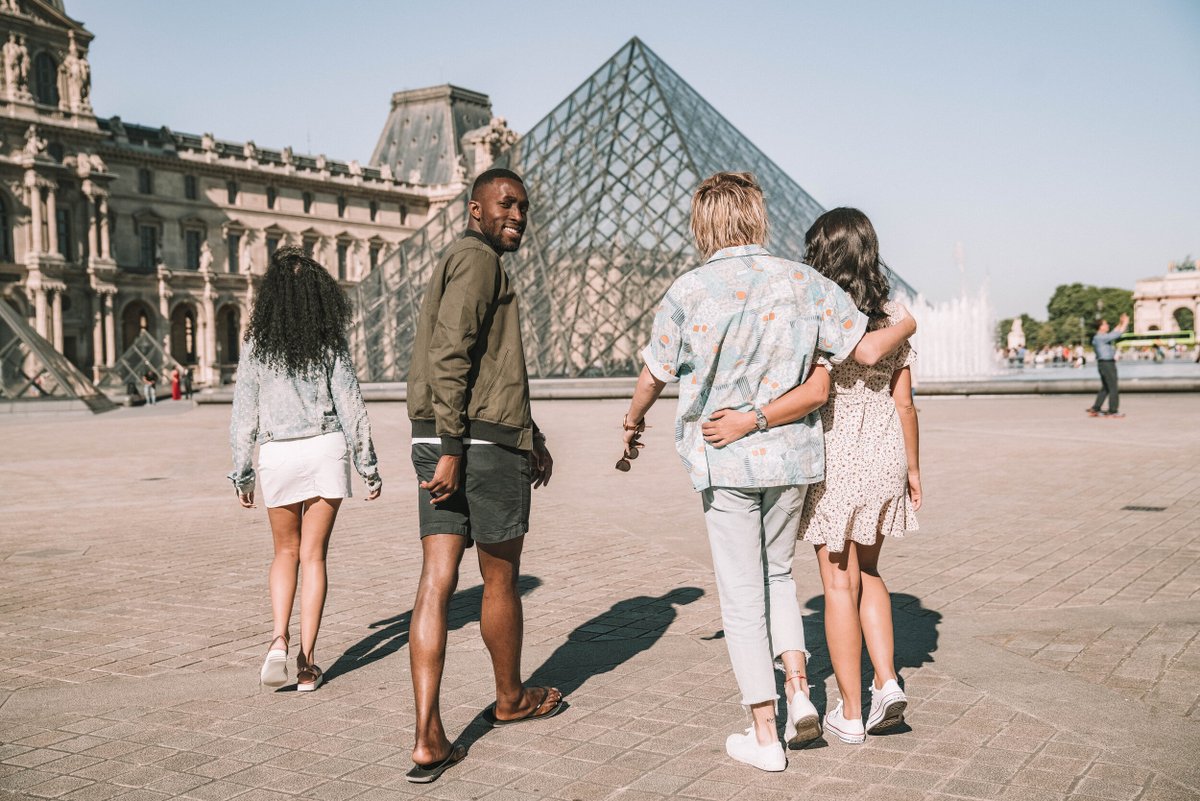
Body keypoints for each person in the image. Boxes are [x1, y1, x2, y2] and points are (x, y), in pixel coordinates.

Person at [621, 173, 915, 772]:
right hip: (794, 457)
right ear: (758, 217)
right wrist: (910, 321)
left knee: (740, 595)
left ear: (703, 224)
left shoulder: (689, 289)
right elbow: (864, 348)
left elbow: (655, 373)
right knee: (778, 575)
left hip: (724, 456)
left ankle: (764, 732)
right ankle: (800, 694)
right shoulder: (805, 282)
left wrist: (632, 420)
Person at [713, 208, 922, 745]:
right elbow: (905, 403)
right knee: (869, 572)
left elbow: (807, 386)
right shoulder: (892, 314)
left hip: (835, 457)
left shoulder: (817, 312)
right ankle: (887, 683)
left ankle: (849, 712)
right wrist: (913, 468)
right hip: (884, 455)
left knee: (837, 583)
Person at [404, 168, 558, 784]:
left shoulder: (460, 260)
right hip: (475, 446)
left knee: (436, 581)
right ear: (475, 209)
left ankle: (428, 737)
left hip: (443, 435)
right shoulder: (479, 261)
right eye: (505, 203)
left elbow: (483, 368)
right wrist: (454, 448)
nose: (517, 215)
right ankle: (510, 698)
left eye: (523, 206)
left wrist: (531, 434)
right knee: (499, 579)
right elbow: (452, 353)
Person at [228, 245, 382, 694]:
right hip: (325, 450)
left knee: (284, 553)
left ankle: (278, 639)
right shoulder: (329, 341)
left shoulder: (256, 346)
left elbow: (243, 415)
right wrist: (368, 466)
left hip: (278, 453)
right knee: (314, 557)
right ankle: (308, 664)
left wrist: (242, 473)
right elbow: (351, 406)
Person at [1087, 313, 1128, 418]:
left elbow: (1114, 332)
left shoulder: (1099, 337)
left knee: (1106, 387)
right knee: (1113, 387)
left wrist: (1121, 322)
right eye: (1105, 324)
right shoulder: (1101, 337)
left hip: (1103, 364)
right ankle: (1113, 411)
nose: (1108, 325)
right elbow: (1117, 334)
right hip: (1107, 363)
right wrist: (1125, 323)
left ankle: (1096, 408)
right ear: (1101, 327)